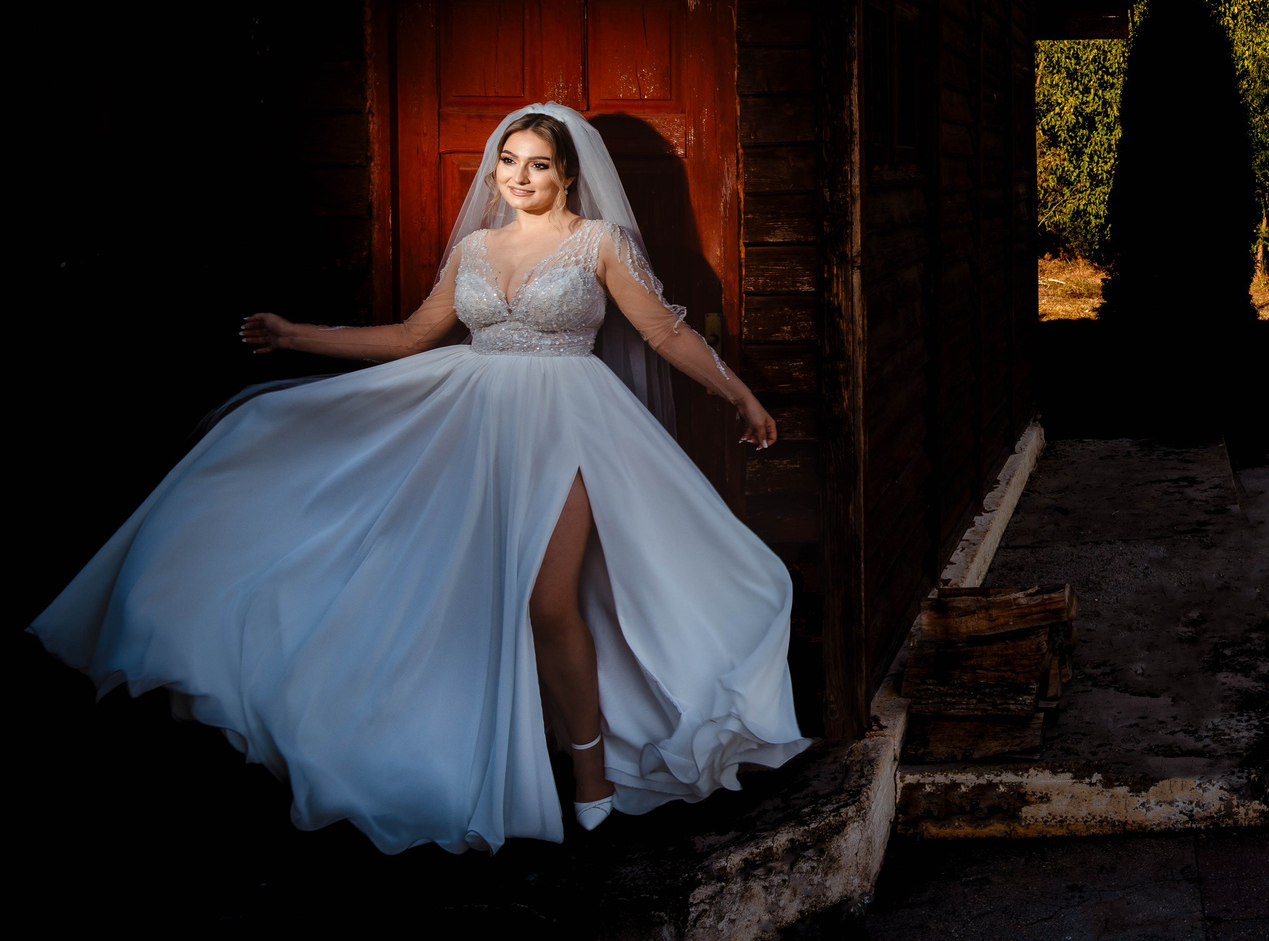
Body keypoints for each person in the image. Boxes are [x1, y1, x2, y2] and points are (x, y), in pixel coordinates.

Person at [31, 103, 809, 852]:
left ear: (568, 176)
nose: (519, 176)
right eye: (508, 161)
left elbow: (664, 330)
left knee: (548, 598)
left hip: (572, 421)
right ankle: (448, 738)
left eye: (538, 165)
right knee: (451, 585)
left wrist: (737, 390)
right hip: (471, 422)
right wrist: (295, 333)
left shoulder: (597, 240)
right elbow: (411, 336)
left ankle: (591, 774)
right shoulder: (475, 250)